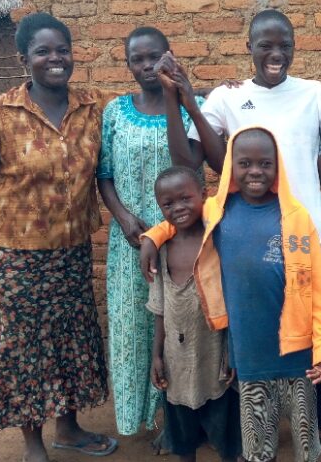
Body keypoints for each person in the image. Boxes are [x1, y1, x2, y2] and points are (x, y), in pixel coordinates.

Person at [162, 9, 321, 462]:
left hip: (311, 236)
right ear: (248, 48)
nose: (276, 53)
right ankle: (257, 430)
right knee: (259, 334)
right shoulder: (229, 98)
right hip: (251, 236)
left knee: (320, 334)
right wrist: (187, 99)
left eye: (284, 44)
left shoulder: (314, 93)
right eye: (265, 44)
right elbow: (199, 160)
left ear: (294, 47)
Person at [0, 12, 117, 462]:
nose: (55, 58)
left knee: (70, 339)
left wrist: (213, 93)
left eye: (62, 50)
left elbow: (147, 101)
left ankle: (69, 428)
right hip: (11, 257)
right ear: (25, 59)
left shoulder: (92, 105)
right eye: (44, 51)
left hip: (71, 251)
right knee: (24, 349)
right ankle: (32, 442)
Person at [141, 127, 321, 462]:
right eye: (244, 163)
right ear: (231, 166)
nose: (255, 171)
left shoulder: (296, 217)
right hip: (248, 354)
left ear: (278, 166)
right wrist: (152, 236)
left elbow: (318, 288)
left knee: (306, 445)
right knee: (258, 444)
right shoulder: (217, 211)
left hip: (298, 353)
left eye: (265, 163)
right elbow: (180, 216)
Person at [96, 26, 204, 436]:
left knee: (178, 328)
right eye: (136, 59)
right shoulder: (115, 111)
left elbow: (192, 164)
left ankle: (172, 420)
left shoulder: (196, 105)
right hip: (131, 241)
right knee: (132, 329)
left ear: (169, 56)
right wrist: (123, 217)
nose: (145, 66)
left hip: (180, 239)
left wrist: (178, 96)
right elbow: (104, 173)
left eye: (153, 57)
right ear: (126, 64)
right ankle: (136, 416)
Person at [146, 166, 242, 462]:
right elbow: (160, 307)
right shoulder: (162, 250)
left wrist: (233, 352)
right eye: (168, 204)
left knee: (227, 438)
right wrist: (157, 356)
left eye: (185, 198)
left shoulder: (218, 241)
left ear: (203, 195)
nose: (178, 208)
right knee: (182, 441)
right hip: (176, 362)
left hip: (216, 359)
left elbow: (234, 301)